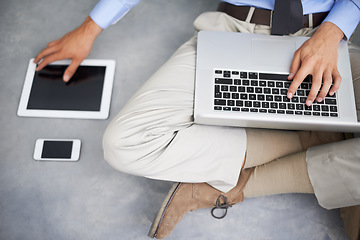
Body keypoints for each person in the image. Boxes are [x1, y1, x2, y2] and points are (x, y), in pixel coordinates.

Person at [34, 0, 360, 239]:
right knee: (123, 143)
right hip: (234, 30)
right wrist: (91, 27)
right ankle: (312, 136)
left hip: (324, 37)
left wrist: (332, 32)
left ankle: (228, 187)